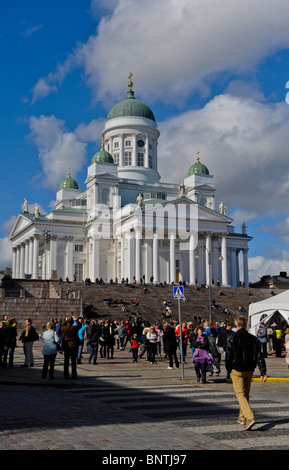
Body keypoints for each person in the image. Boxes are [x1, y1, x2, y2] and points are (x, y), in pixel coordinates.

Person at [225, 315, 267, 431]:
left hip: (237, 369)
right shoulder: (253, 339)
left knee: (240, 394)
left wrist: (228, 369)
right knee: (245, 394)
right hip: (249, 369)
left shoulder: (231, 337)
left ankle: (249, 417)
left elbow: (229, 356)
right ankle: (241, 417)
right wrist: (263, 371)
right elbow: (259, 356)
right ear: (244, 325)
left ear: (236, 325)